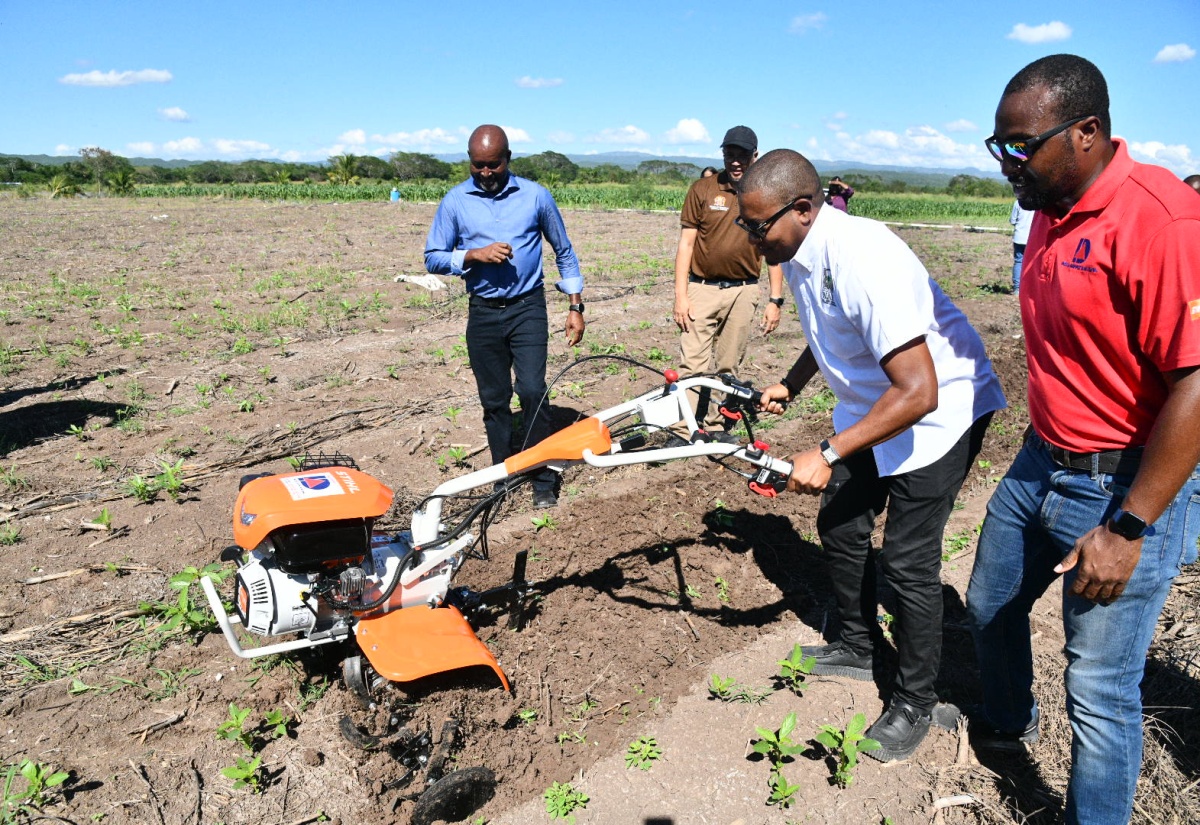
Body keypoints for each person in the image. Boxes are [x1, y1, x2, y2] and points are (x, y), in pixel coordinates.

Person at [968, 54, 1200, 825]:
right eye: (997, 146)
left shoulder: (1160, 220)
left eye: (1020, 145)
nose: (1007, 165)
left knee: (1099, 691)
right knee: (990, 600)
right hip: (1042, 458)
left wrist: (1129, 525)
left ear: (1088, 132)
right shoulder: (1047, 202)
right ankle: (1006, 725)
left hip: (1119, 484)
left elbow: (1197, 384)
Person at [741, 149, 1006, 762]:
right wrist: (793, 382)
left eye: (759, 227)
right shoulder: (799, 250)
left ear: (803, 210)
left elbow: (920, 389)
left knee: (909, 562)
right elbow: (830, 326)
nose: (752, 240)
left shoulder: (863, 257)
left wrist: (828, 450)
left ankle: (916, 700)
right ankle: (858, 647)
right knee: (840, 521)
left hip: (938, 414)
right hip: (877, 405)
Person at [424, 125, 585, 509]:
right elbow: (432, 257)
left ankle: (542, 475)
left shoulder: (535, 196)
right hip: (482, 312)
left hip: (527, 307)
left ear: (507, 158)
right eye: (477, 166)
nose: (485, 173)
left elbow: (563, 250)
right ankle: (503, 474)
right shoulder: (455, 202)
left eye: (492, 165)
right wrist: (472, 255)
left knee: (531, 390)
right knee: (494, 400)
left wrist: (576, 305)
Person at [671, 126, 784, 444]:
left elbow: (774, 250)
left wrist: (775, 299)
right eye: (730, 154)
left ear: (755, 156)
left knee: (728, 364)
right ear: (723, 155)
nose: (736, 161)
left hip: (744, 291)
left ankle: (717, 426)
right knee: (692, 362)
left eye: (742, 155)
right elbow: (686, 245)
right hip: (701, 289)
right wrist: (681, 296)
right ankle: (684, 430)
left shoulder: (765, 195)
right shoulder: (703, 189)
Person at [1008, 199, 1035, 292]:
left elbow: (1012, 220)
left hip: (1019, 238)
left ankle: (1017, 288)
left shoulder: (1018, 202)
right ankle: (1029, 288)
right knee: (1032, 264)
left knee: (1018, 262)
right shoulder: (1038, 203)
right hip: (1033, 238)